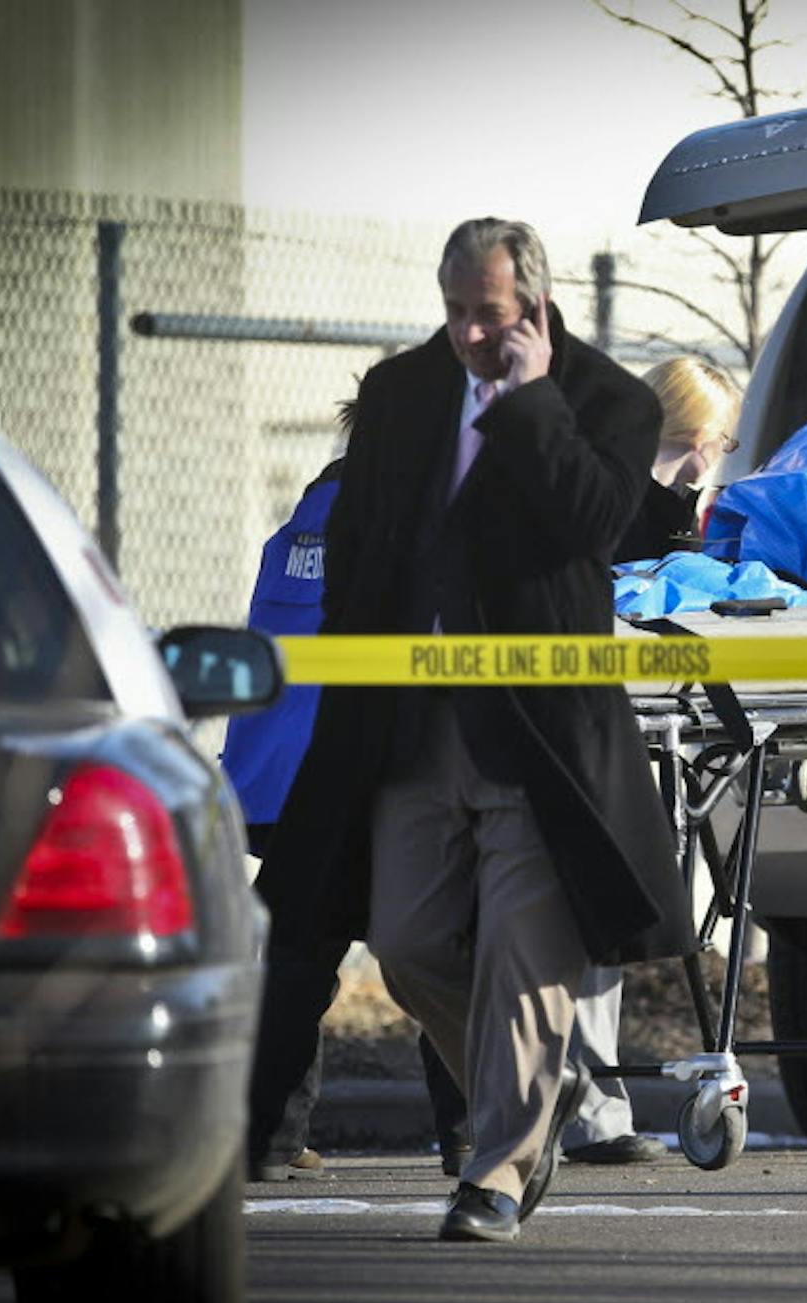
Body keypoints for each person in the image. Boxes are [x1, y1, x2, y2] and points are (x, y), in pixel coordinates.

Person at [255, 217, 693, 1243]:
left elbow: (594, 522)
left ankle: (497, 1167)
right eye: (452, 310)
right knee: (406, 942)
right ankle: (532, 1104)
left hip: (538, 740)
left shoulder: (607, 403)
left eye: (485, 315)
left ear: (532, 307)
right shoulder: (404, 392)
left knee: (525, 954)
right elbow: (363, 537)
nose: (465, 333)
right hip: (412, 724)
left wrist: (528, 399)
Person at [224, 415, 471, 1183]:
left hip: (282, 774)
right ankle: (474, 1130)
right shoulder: (411, 517)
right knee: (444, 938)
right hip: (373, 769)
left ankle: (264, 1134)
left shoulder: (303, 525)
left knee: (296, 952)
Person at [570, 356, 745, 1166]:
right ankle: (586, 1109)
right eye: (720, 438)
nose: (719, 456)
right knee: (592, 921)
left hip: (611, 721)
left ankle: (577, 1105)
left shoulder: (603, 488)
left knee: (579, 921)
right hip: (617, 725)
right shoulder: (659, 507)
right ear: (698, 435)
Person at [613, 355, 742, 563]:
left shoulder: (593, 479)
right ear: (702, 434)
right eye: (725, 439)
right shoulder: (616, 501)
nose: (725, 451)